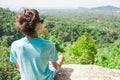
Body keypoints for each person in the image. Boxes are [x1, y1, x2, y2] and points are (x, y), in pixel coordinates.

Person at [10, 8, 64, 80]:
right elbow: (55, 66)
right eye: (40, 21)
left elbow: (18, 66)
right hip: (46, 78)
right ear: (37, 24)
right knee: (61, 57)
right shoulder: (48, 45)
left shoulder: (15, 45)